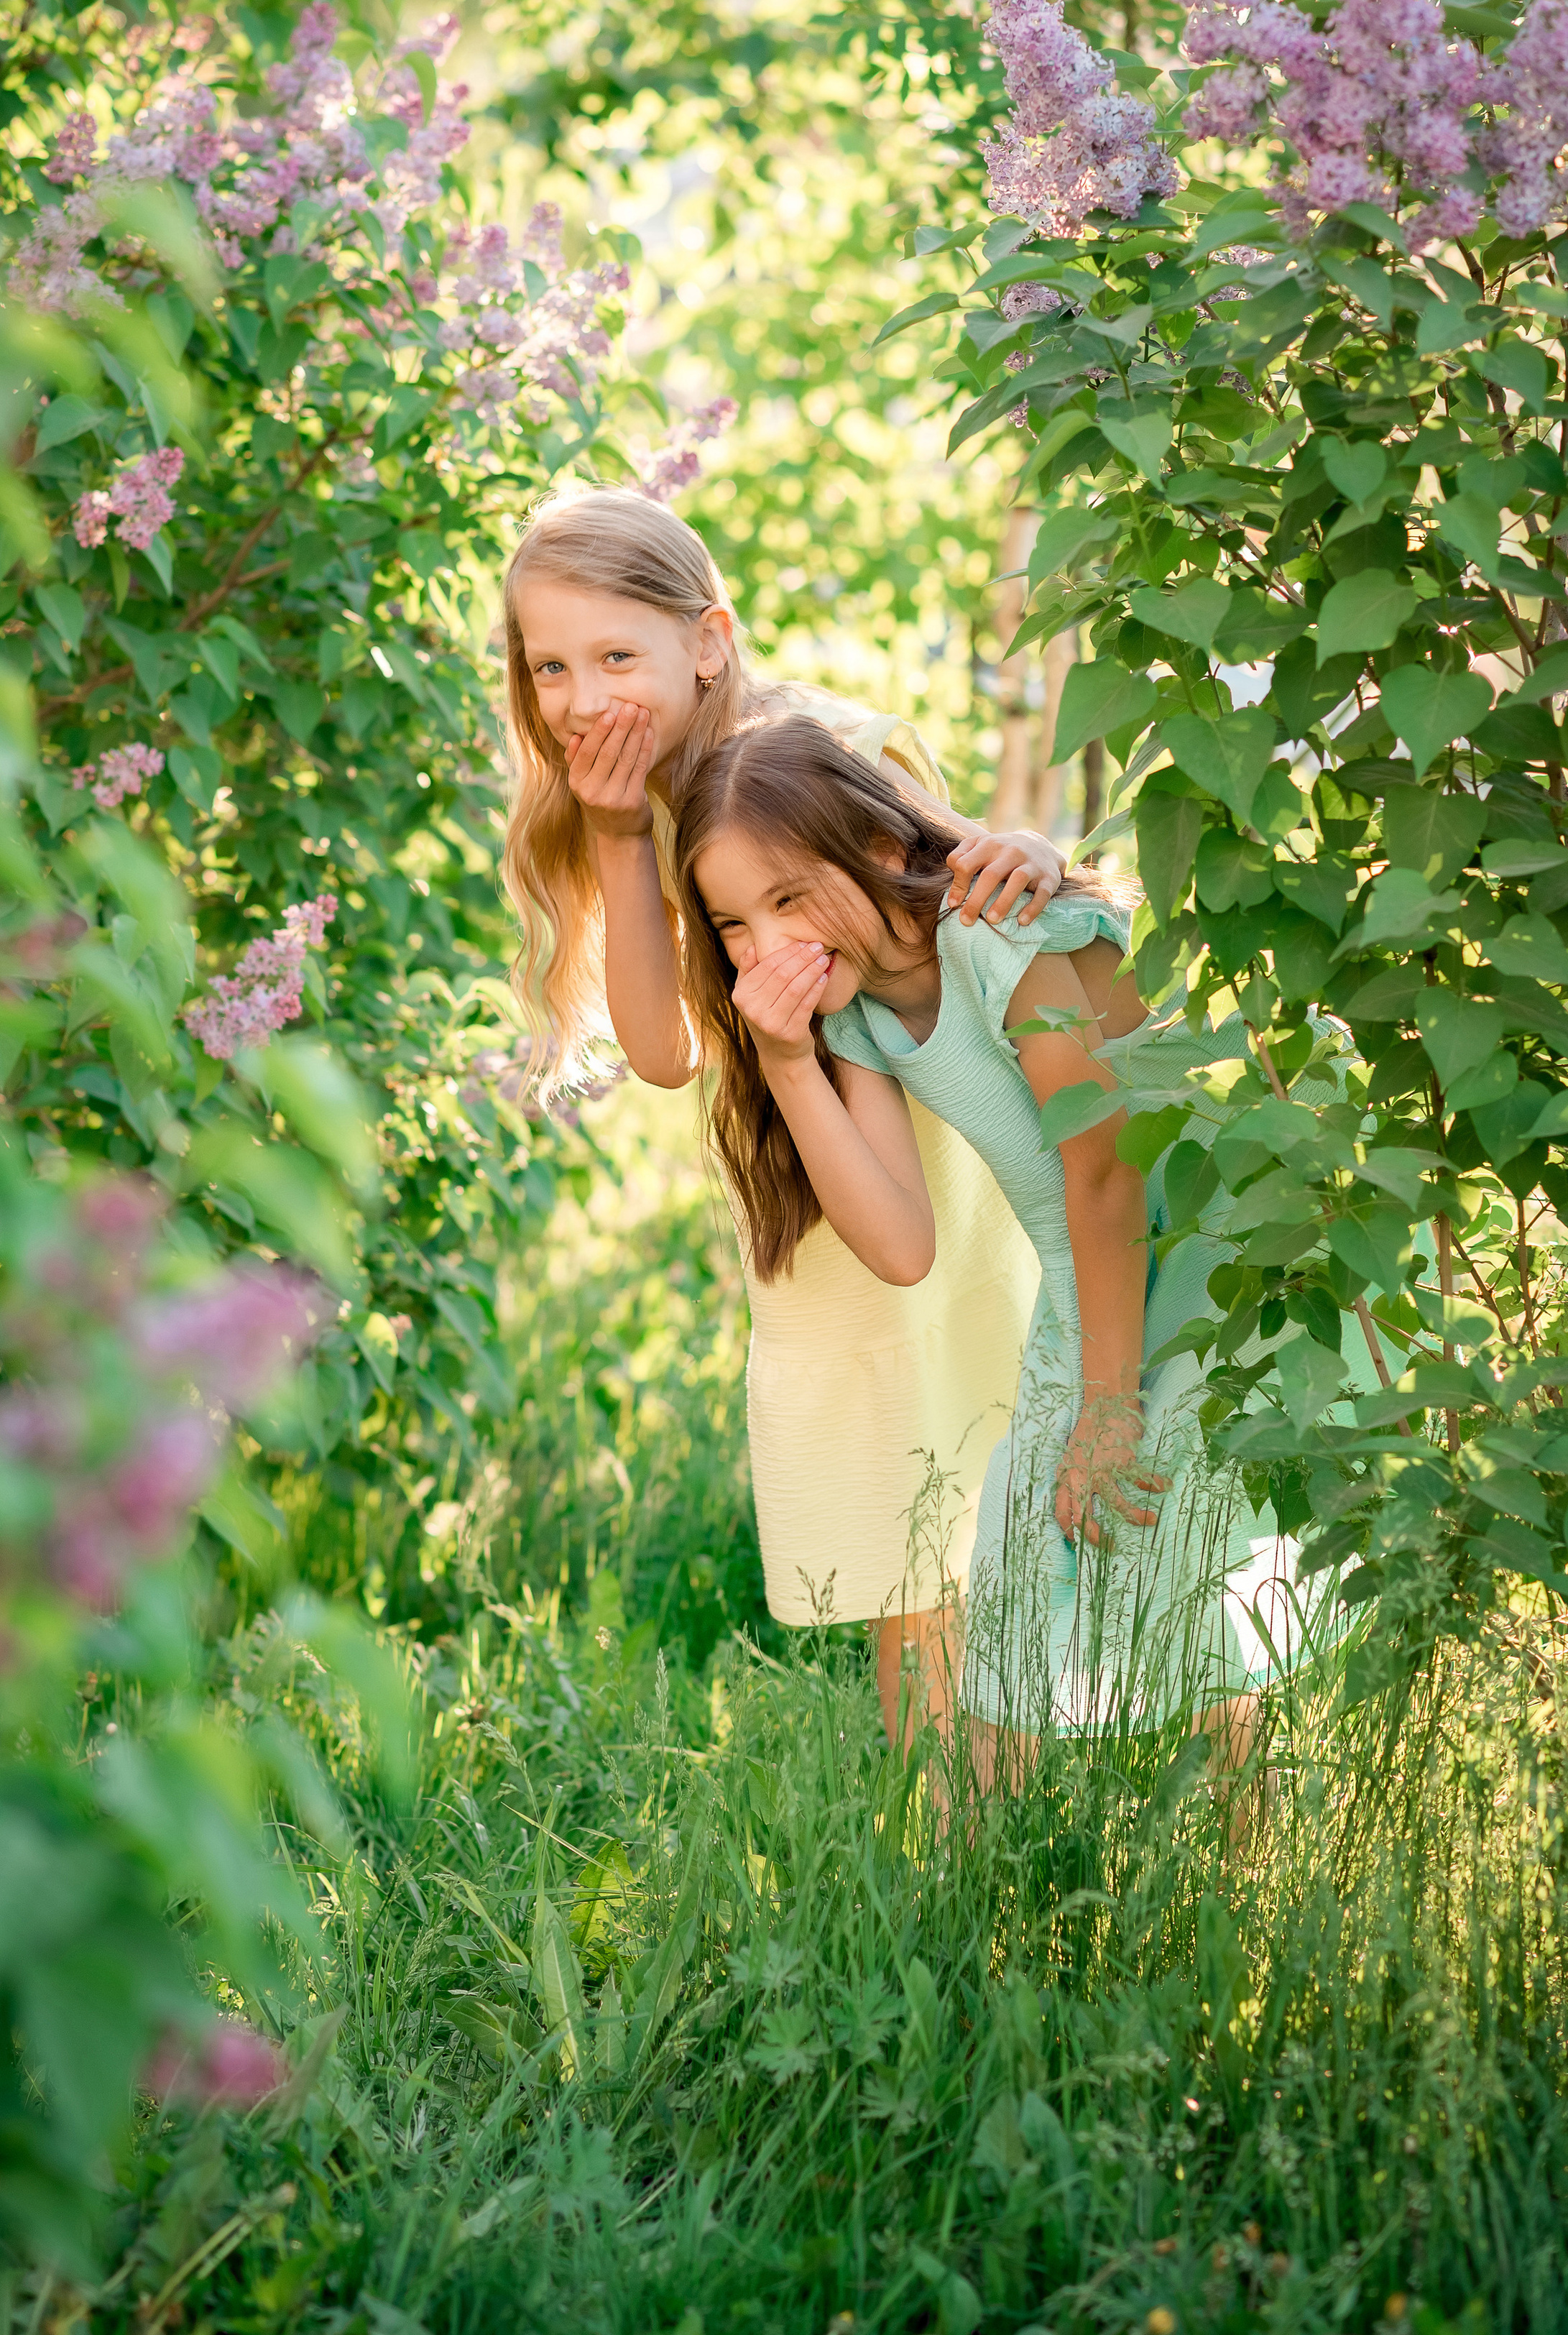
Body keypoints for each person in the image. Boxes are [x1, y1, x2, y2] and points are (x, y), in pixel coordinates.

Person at [501, 486, 1070, 1744]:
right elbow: (658, 1051)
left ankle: (1059, 1803)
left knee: (1006, 1494)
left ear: (707, 640)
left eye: (613, 656)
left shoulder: (826, 750)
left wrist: (1025, 846)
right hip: (821, 1176)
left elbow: (961, 871)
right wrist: (610, 837)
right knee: (907, 1556)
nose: (585, 700)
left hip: (948, 1161)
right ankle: (957, 1841)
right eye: (551, 667)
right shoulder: (637, 809)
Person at [671, 711, 1313, 1785]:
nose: (768, 944)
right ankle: (984, 1905)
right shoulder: (859, 1018)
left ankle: (1250, 1869)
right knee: (1013, 1615)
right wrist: (787, 1059)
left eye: (788, 896)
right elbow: (901, 1243)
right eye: (733, 923)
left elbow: (1106, 1170)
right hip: (1095, 1278)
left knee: (1194, 1583)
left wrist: (1107, 1403)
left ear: (880, 849)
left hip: (1208, 1253)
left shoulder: (987, 933)